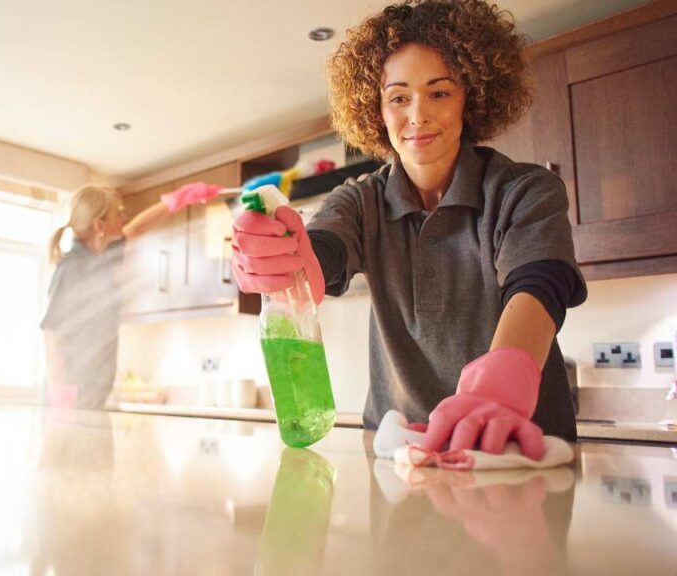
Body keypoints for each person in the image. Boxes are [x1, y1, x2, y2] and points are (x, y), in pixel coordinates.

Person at [232, 0, 587, 459]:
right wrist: (285, 258)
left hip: (517, 444)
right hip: (401, 451)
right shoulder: (359, 200)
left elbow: (539, 286)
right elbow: (322, 252)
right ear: (376, 108)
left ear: (471, 98)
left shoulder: (525, 189)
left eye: (439, 93)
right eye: (398, 97)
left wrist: (503, 379)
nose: (417, 115)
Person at [41, 182, 221, 410]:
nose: (124, 219)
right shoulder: (73, 268)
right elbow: (53, 335)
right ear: (100, 225)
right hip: (69, 401)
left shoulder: (101, 258)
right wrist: (61, 402)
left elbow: (135, 229)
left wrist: (176, 200)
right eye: (118, 213)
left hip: (92, 398)